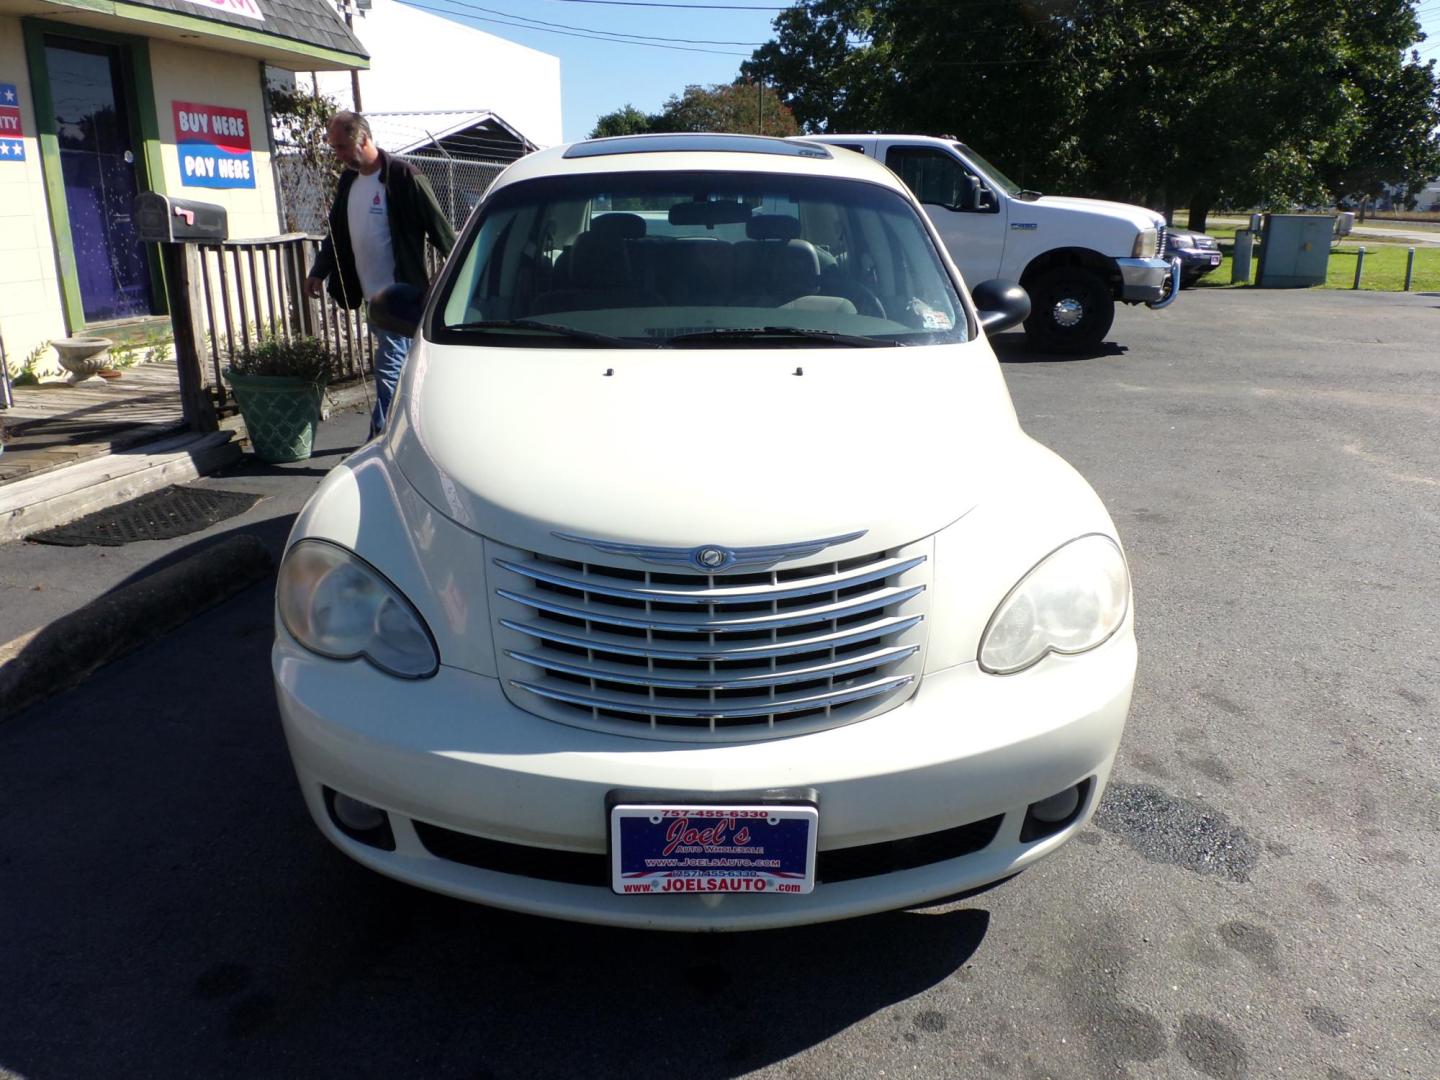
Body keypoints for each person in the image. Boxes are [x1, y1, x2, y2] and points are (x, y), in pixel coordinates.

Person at [305, 111, 455, 436]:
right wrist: (319, 270)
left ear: (363, 138)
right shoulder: (349, 181)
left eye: (343, 146)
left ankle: (379, 438)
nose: (339, 155)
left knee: (388, 370)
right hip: (369, 297)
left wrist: (459, 278)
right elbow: (338, 233)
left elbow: (444, 235)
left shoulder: (404, 177)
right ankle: (416, 432)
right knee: (403, 372)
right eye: (335, 148)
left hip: (400, 298)